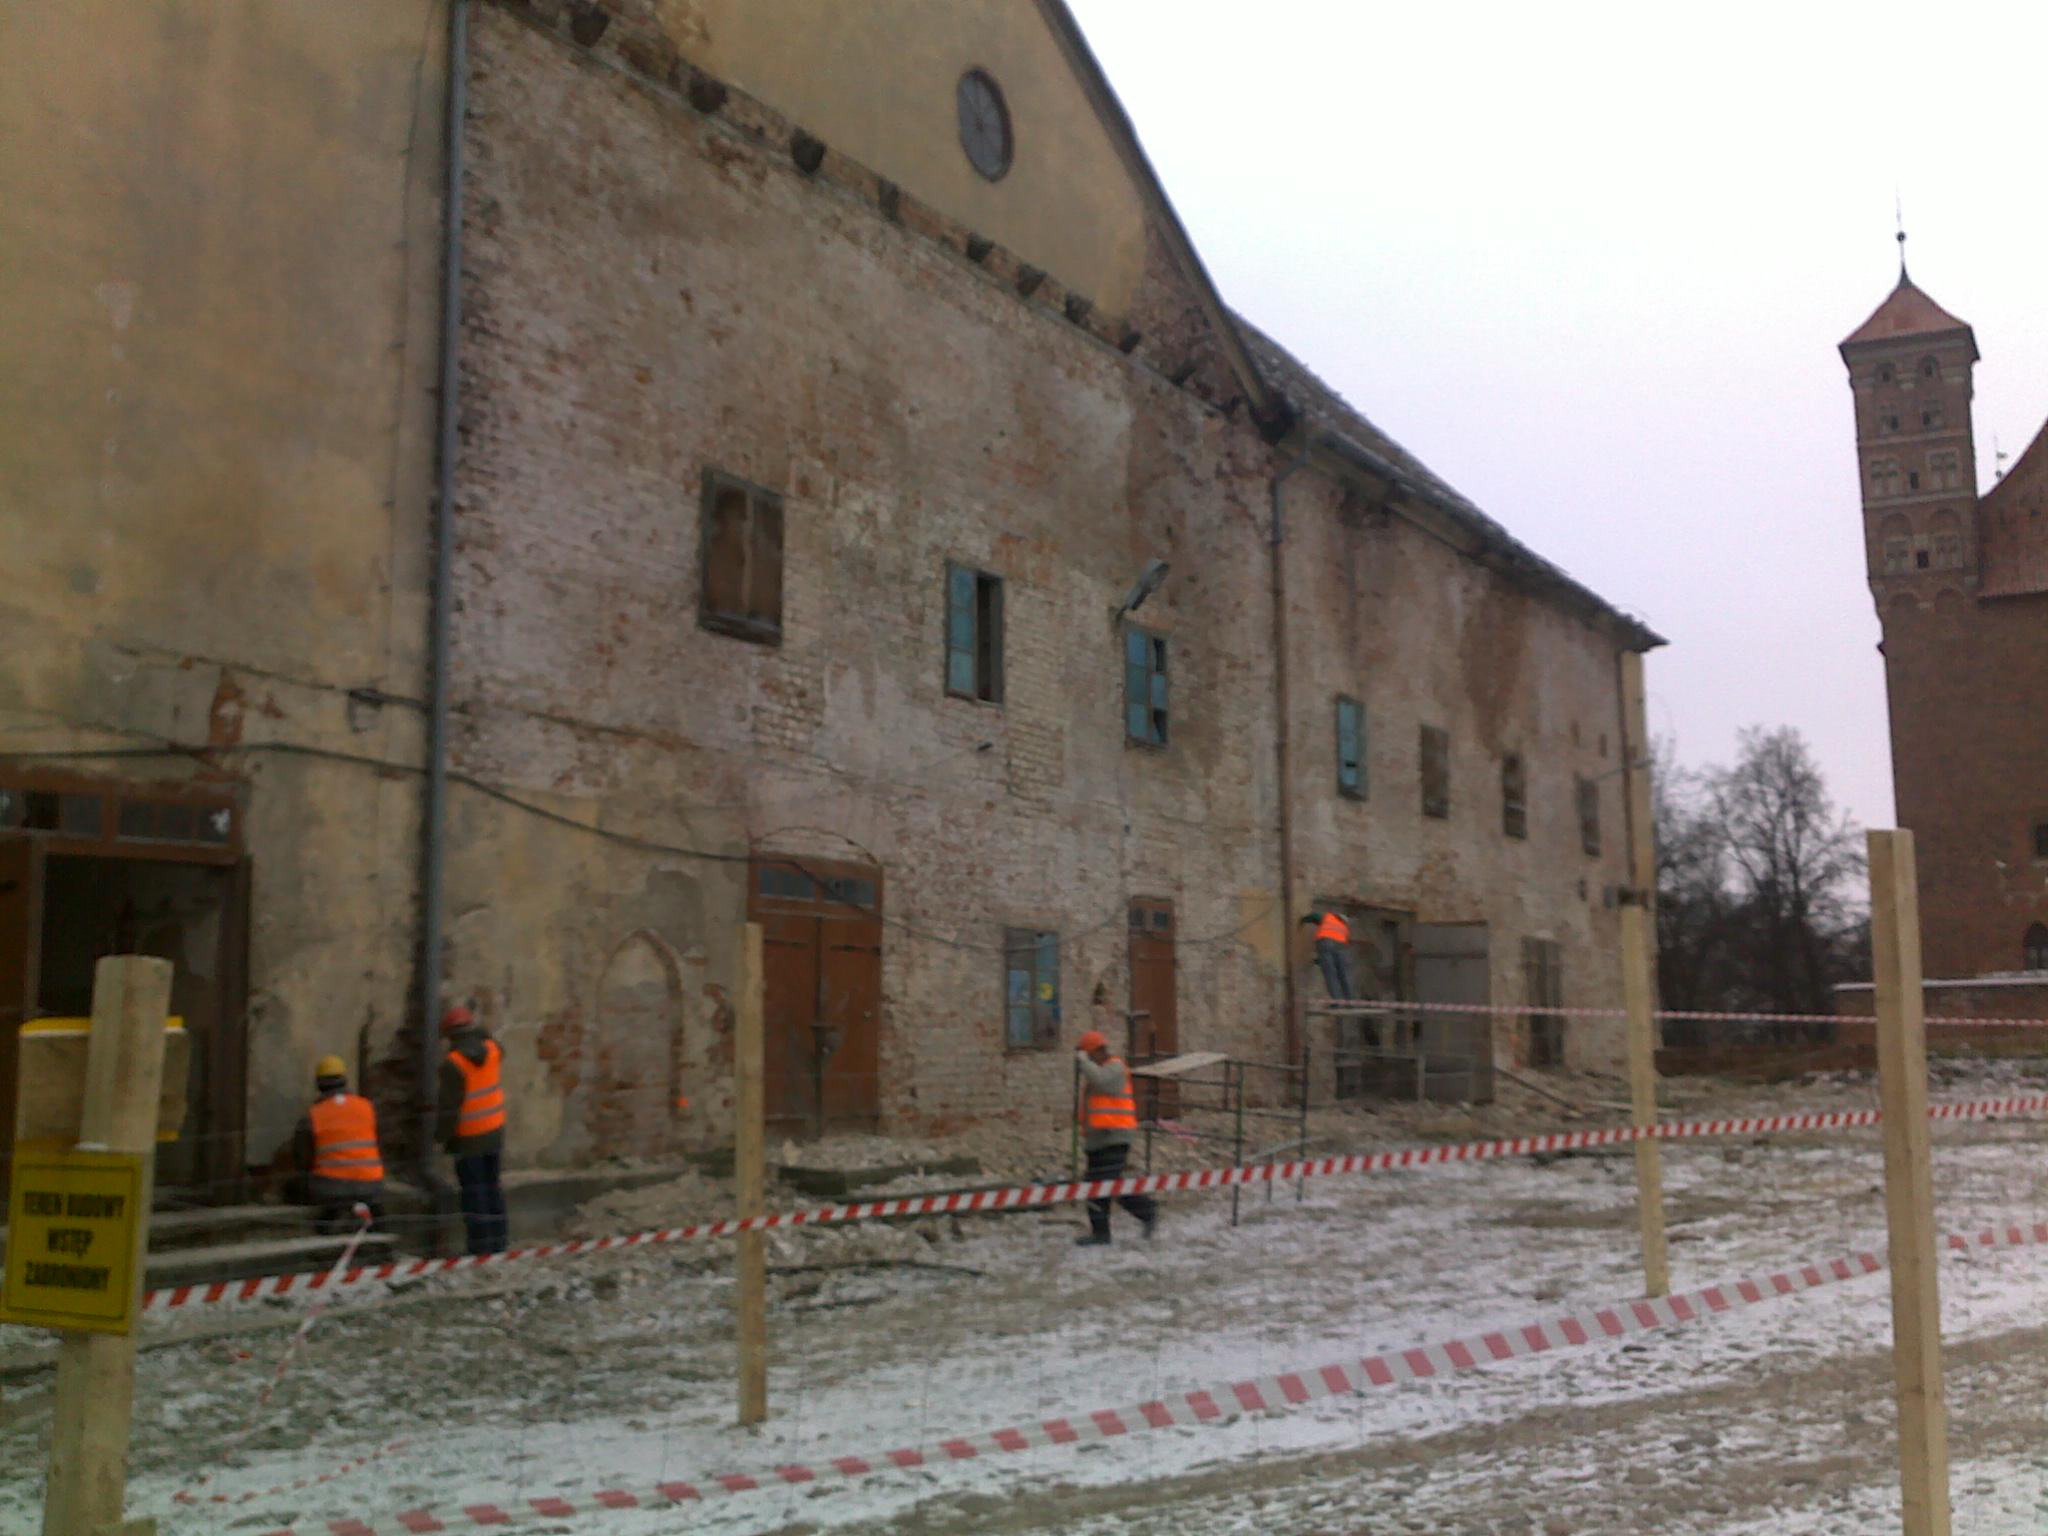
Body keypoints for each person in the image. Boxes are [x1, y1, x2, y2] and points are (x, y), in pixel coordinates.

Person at [1073, 1029, 1158, 1247]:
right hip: (1097, 1139)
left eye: (1089, 1055)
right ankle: (1101, 1233)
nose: (1088, 1060)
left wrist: (1084, 1063)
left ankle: (1147, 1210)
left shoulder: (1115, 1068)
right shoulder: (1098, 1071)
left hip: (1115, 1136)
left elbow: (1103, 1083)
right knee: (1096, 1187)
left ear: (1097, 1051)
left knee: (1108, 1184)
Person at [437, 1003, 509, 1255]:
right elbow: (492, 1041)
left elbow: (449, 1108)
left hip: (469, 1140)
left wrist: (441, 1137)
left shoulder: (453, 1063)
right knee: (493, 1188)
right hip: (495, 1132)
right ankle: (499, 1242)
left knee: (474, 1195)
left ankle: (480, 1247)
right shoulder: (493, 1049)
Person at [290, 1055, 385, 1234]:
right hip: (371, 1184)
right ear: (344, 1080)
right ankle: (380, 1234)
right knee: (377, 1214)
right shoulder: (367, 1108)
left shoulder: (313, 1115)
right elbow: (379, 1143)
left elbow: (302, 1157)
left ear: (319, 1084)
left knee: (303, 1192)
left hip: (330, 1188)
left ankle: (323, 1232)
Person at [1304, 907, 1354, 1000]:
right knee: (1343, 975)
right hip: (1341, 948)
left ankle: (1337, 1001)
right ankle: (1350, 1000)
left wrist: (1303, 920)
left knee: (1330, 974)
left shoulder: (1329, 917)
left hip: (1326, 944)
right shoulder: (1344, 928)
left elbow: (1314, 916)